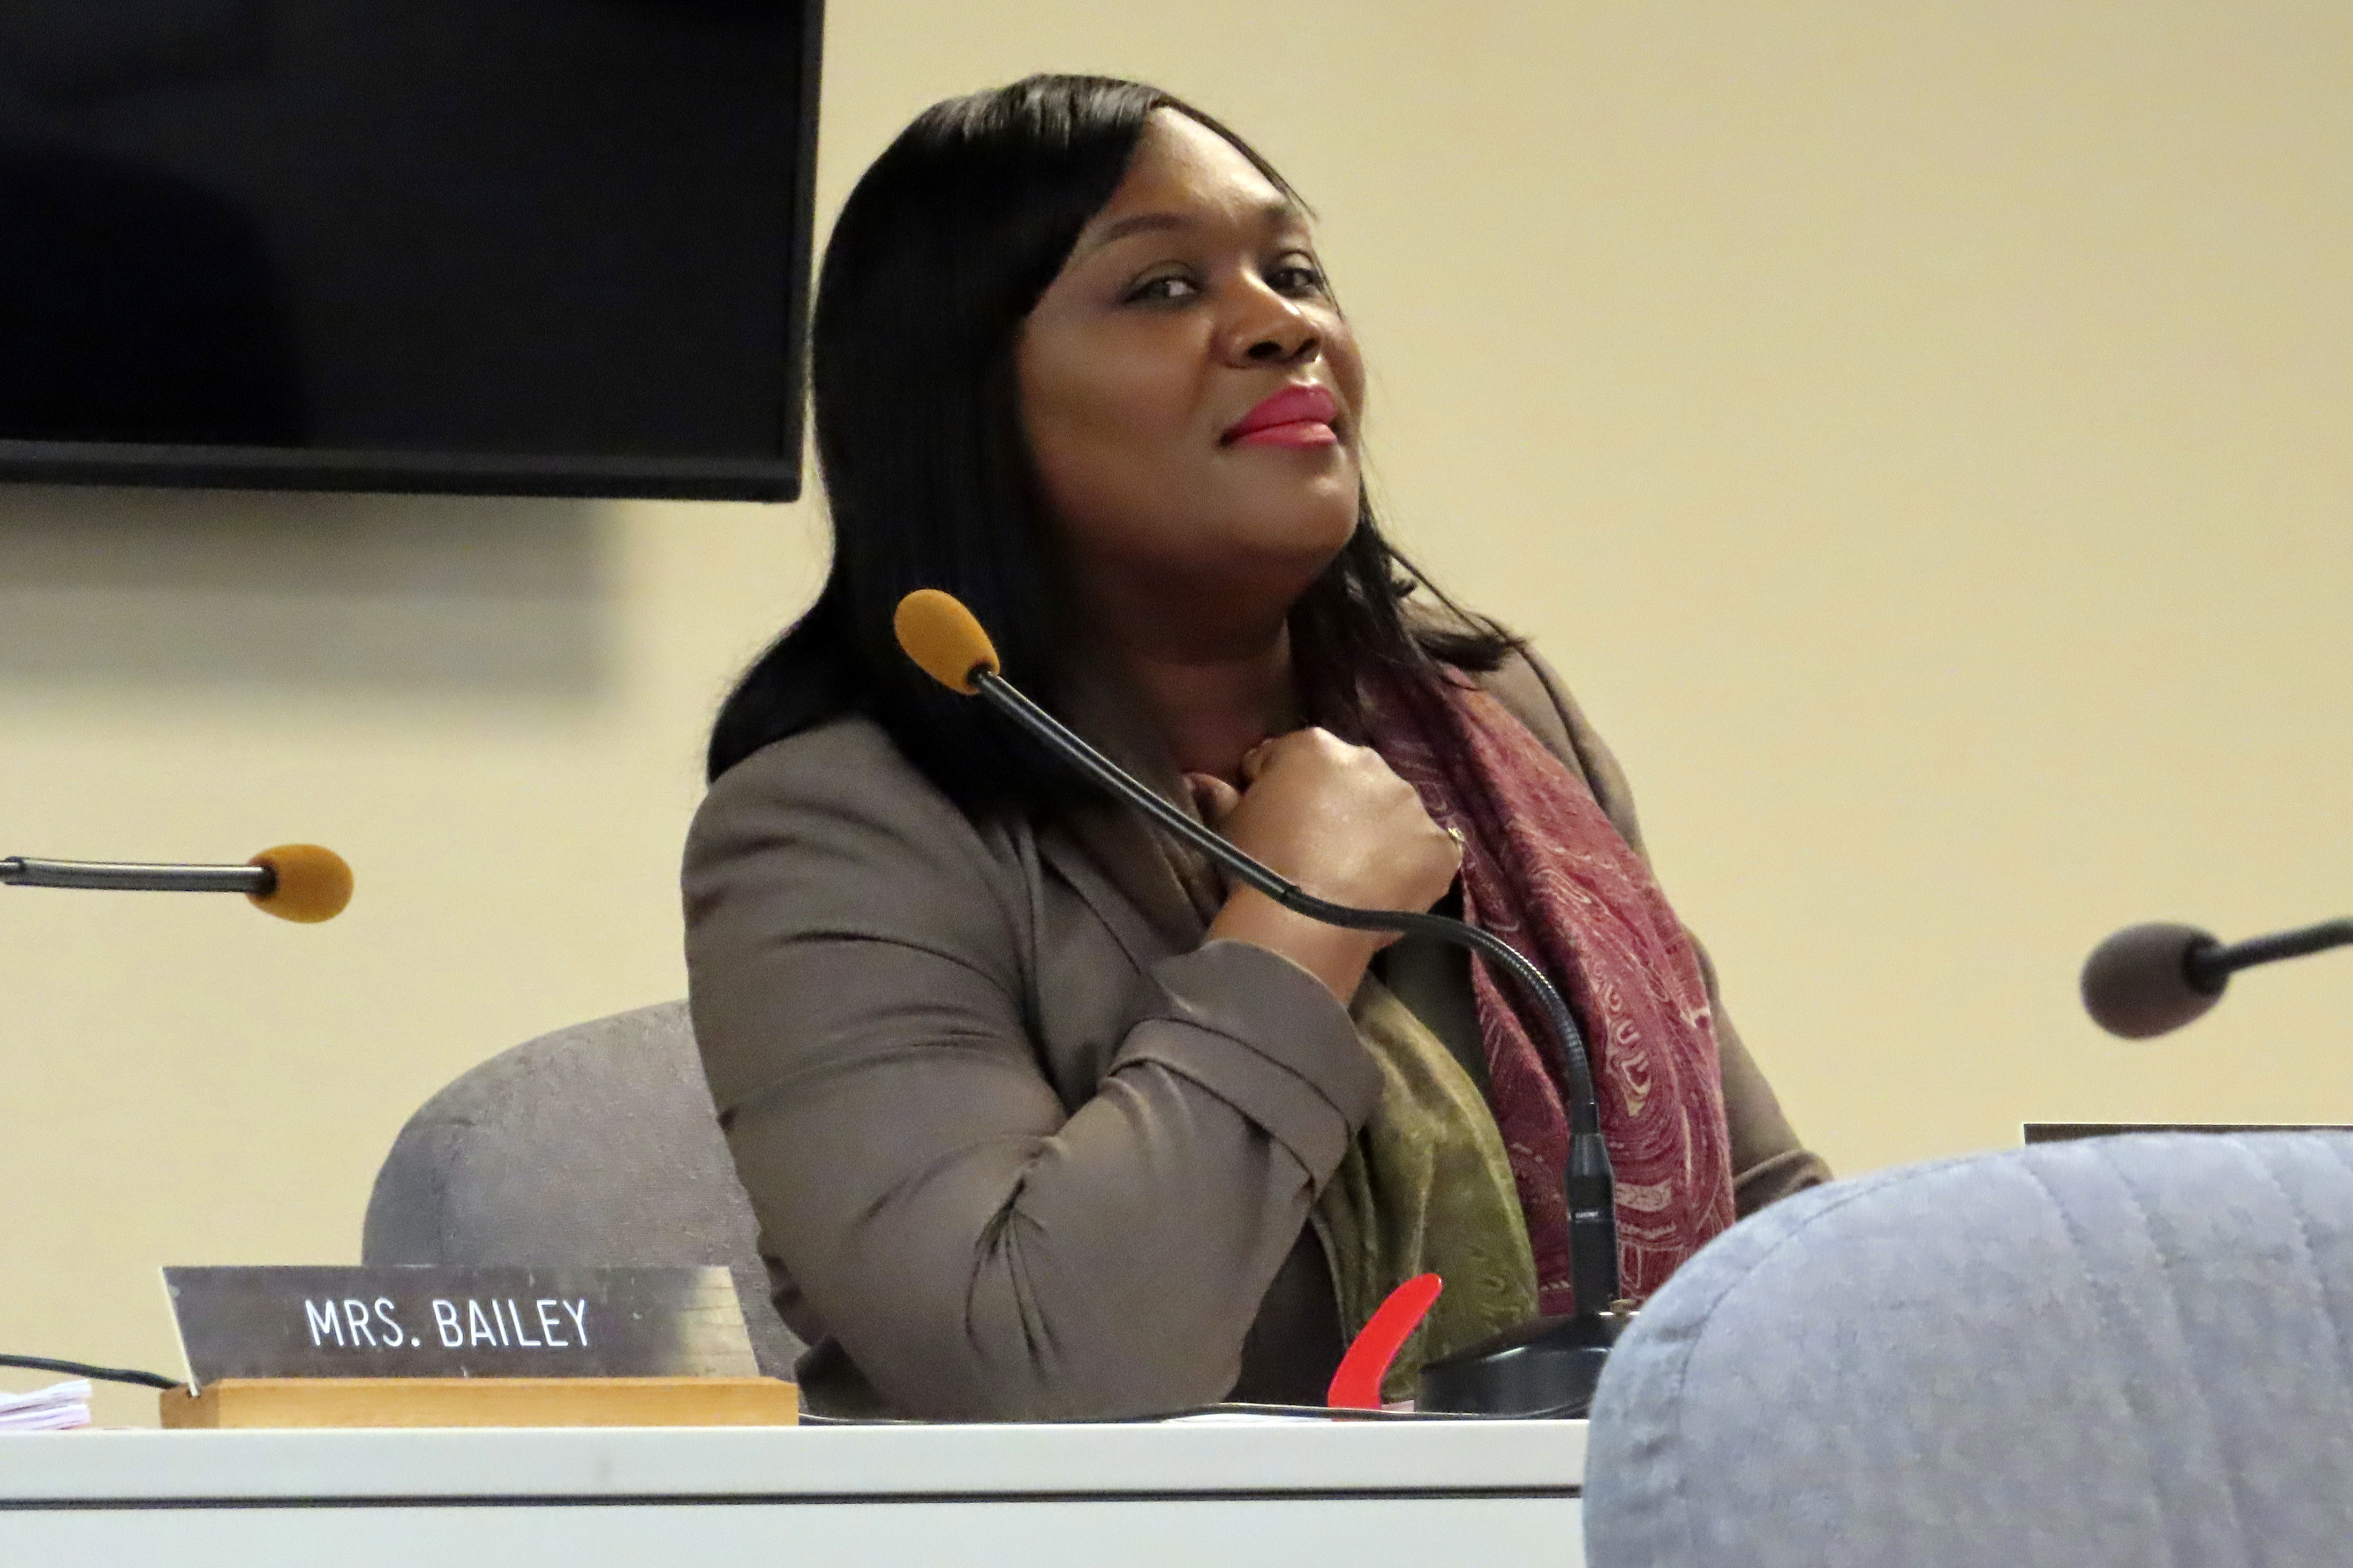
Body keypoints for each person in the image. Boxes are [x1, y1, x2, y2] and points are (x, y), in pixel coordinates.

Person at [685, 74, 1828, 1421]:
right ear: (964, 399)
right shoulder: (839, 825)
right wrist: (1297, 931)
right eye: (1163, 288)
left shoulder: (1496, 734)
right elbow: (1037, 1362)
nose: (1282, 324)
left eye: (1294, 270)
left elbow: (1762, 1234)